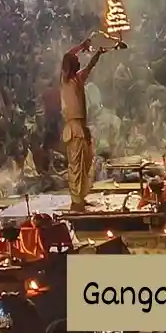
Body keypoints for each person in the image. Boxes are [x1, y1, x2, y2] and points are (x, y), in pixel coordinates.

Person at [61, 38, 107, 212]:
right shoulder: (65, 80)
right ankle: (76, 201)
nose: (79, 62)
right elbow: (68, 55)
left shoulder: (78, 79)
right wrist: (81, 46)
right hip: (73, 128)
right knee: (76, 165)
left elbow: (90, 67)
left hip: (82, 125)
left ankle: (81, 197)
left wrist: (98, 54)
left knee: (86, 163)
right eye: (76, 61)